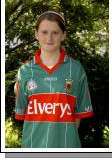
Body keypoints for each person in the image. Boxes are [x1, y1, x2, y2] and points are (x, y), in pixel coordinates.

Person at [14, 11, 94, 148]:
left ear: (63, 35)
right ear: (36, 34)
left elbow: (78, 116)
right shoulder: (24, 71)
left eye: (55, 32)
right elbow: (24, 116)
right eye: (44, 32)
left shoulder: (76, 69)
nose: (49, 38)